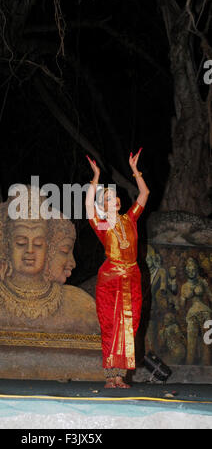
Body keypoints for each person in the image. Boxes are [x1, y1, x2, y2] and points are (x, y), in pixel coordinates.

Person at [86, 149, 150, 388]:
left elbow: (144, 193)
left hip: (132, 277)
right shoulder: (101, 224)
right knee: (111, 326)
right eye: (109, 199)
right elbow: (87, 206)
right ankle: (109, 376)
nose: (115, 200)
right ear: (103, 205)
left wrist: (135, 171)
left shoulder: (130, 219)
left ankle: (120, 376)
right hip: (110, 278)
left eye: (115, 198)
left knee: (128, 326)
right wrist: (95, 177)